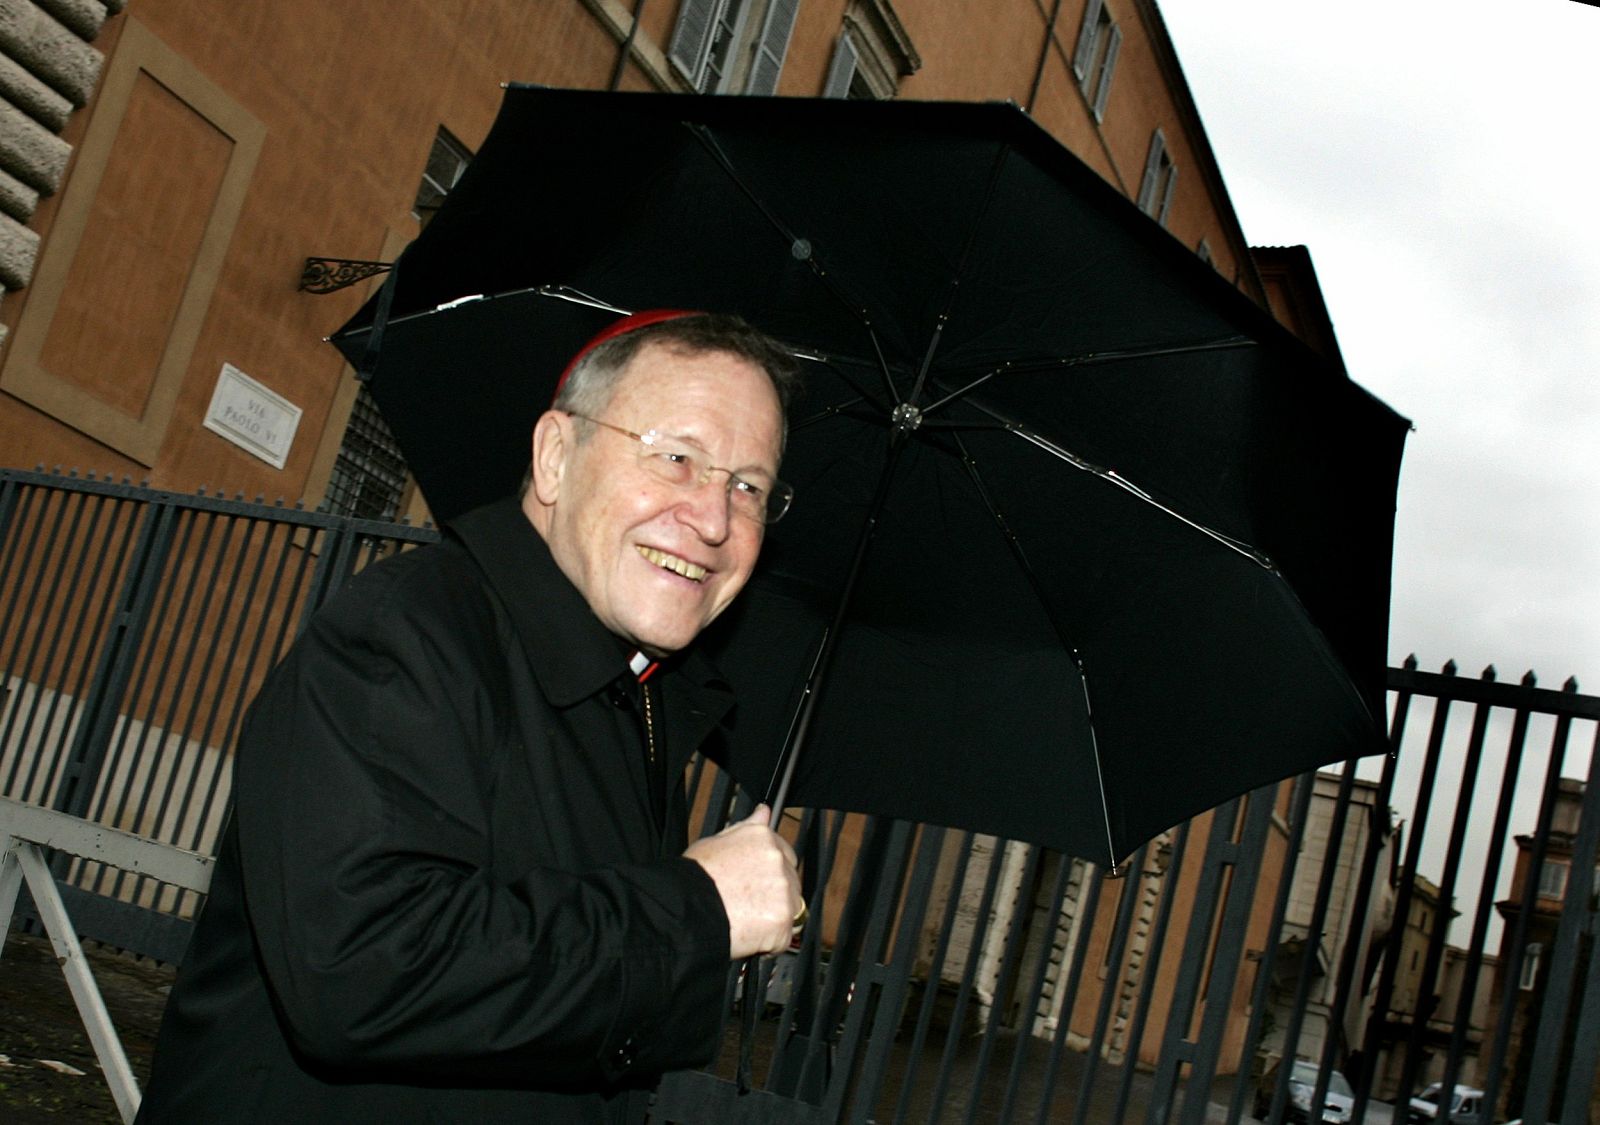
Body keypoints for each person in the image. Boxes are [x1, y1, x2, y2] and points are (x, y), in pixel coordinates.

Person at [136, 312, 805, 1122]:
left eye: (749, 486)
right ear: (557, 457)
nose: (713, 520)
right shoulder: (408, 632)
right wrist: (695, 910)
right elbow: (360, 968)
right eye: (675, 458)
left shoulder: (640, 696)